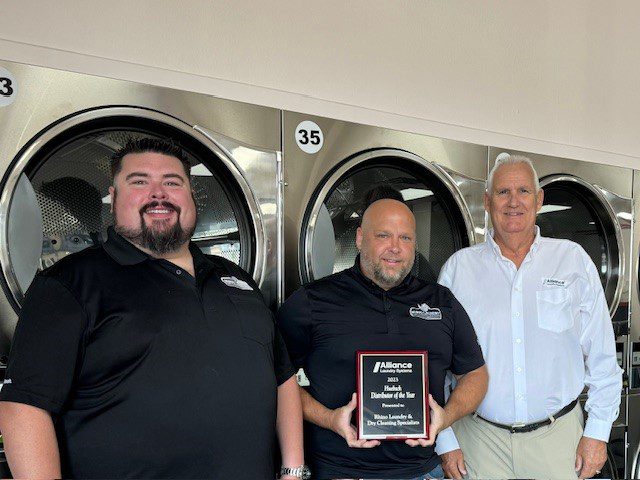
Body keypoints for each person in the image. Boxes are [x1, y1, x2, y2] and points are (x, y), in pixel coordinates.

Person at [0, 137, 305, 479]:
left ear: (191, 198)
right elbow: (24, 407)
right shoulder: (67, 285)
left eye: (172, 183)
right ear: (113, 199)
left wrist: (293, 469)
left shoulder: (236, 279)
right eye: (140, 181)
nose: (158, 193)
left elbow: (282, 377)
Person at [437, 153, 623, 479]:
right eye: (503, 192)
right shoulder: (459, 269)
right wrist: (444, 438)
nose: (513, 202)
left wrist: (597, 431)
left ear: (538, 199)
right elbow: (437, 365)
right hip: (478, 442)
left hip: (559, 440)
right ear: (487, 200)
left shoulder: (572, 261)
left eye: (523, 191)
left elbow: (603, 356)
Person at [277, 197, 488, 479]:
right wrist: (328, 418)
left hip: (424, 472)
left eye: (405, 238)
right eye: (383, 235)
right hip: (340, 471)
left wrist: (445, 418)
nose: (395, 248)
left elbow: (475, 373)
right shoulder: (313, 301)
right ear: (361, 238)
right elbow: (276, 380)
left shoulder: (442, 302)